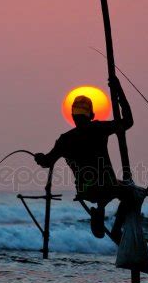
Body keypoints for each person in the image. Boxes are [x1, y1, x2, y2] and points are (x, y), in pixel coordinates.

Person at [34, 76, 135, 243]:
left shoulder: (65, 139)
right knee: (130, 193)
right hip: (107, 185)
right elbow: (128, 122)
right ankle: (116, 229)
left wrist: (40, 157)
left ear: (73, 116)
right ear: (92, 115)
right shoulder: (98, 129)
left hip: (85, 190)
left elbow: (47, 162)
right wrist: (119, 91)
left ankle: (100, 209)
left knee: (109, 188)